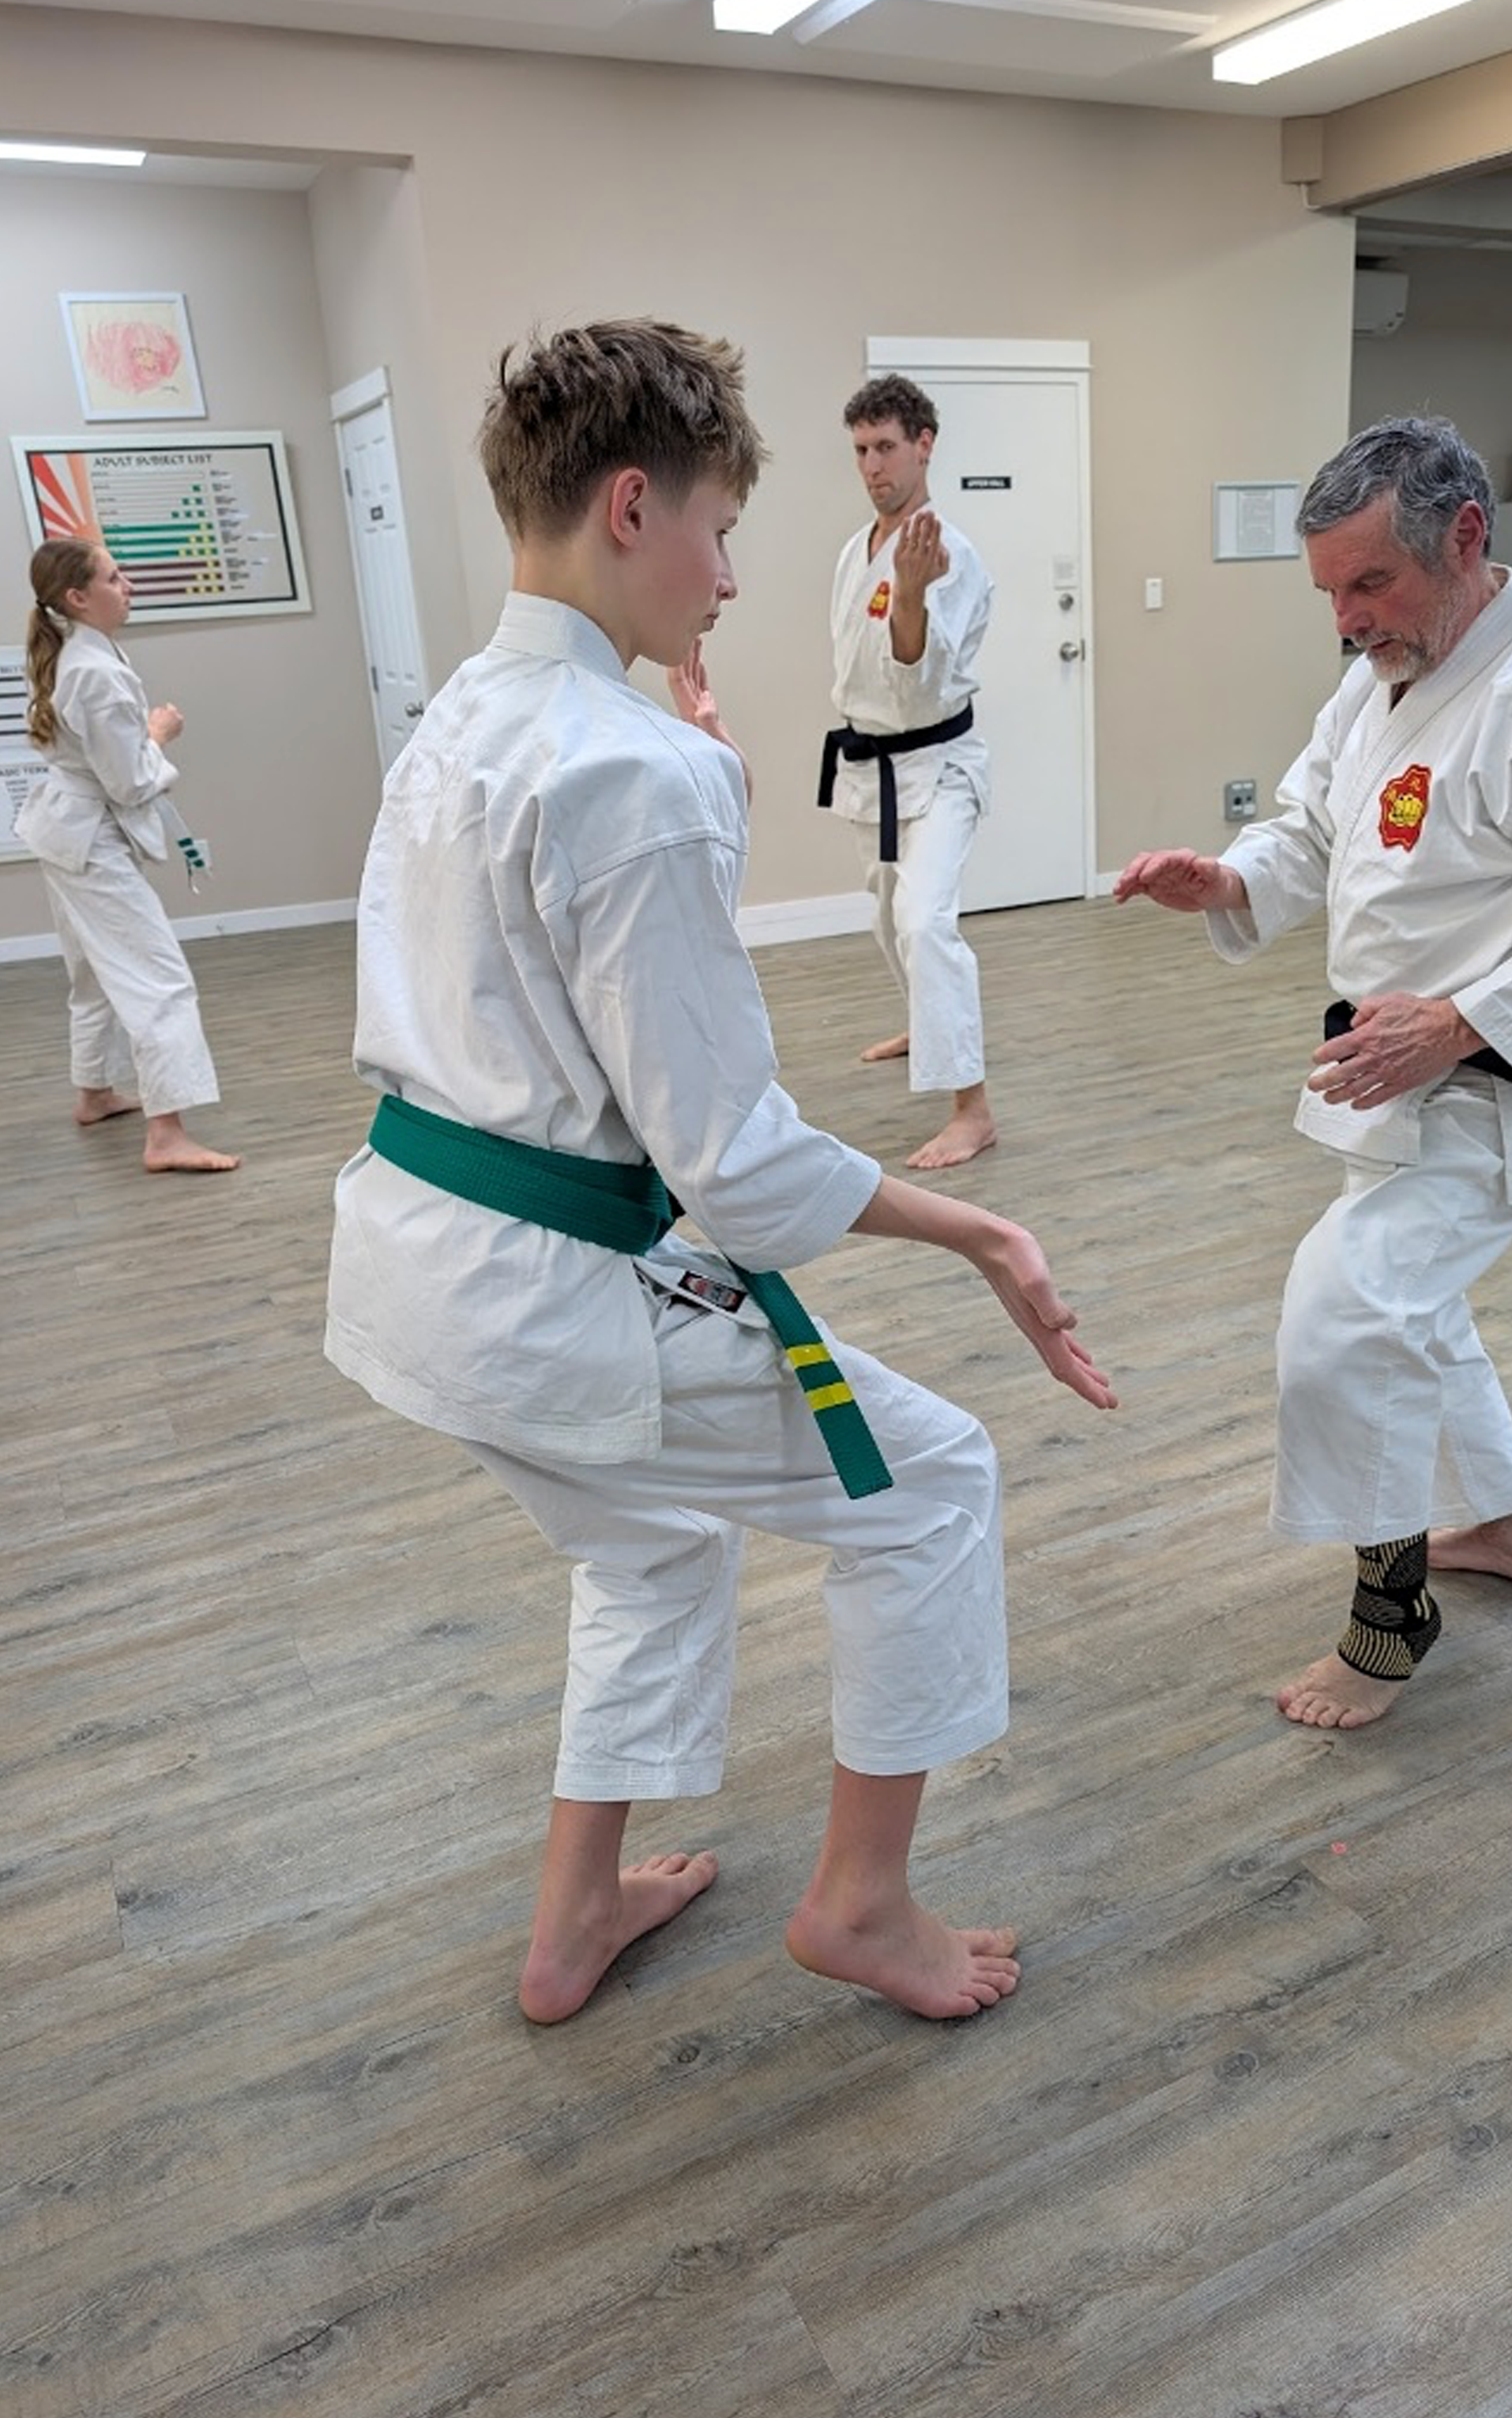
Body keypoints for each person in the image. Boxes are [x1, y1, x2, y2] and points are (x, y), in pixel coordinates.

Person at [324, 321, 1115, 2028]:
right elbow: (738, 1170)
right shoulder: (631, 759)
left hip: (408, 1272)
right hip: (543, 1301)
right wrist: (979, 1225)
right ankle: (863, 1902)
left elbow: (534, 1005)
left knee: (654, 1547)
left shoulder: (464, 716)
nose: (733, 578)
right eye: (720, 531)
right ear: (630, 507)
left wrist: (704, 798)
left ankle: (572, 1920)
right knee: (933, 1483)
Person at [1116, 415, 1512, 1731]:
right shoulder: (1381, 672)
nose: (1345, 617)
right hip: (1394, 1077)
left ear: (1463, 537)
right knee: (1414, 1315)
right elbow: (1314, 824)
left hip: (1492, 1094)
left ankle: (1388, 1626)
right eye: (1329, 590)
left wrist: (1454, 1023)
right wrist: (1227, 880)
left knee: (1342, 1314)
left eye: (1367, 582)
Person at [818, 374, 997, 1171]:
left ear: (923, 444)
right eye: (860, 449)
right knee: (887, 917)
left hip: (939, 766)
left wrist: (913, 601)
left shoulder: (948, 556)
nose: (871, 465)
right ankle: (926, 1027)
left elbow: (922, 685)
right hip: (872, 768)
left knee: (926, 922)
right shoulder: (852, 553)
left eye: (885, 447)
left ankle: (972, 1109)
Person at [19, 539, 239, 1173]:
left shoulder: (78, 654)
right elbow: (130, 783)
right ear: (77, 598)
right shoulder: (93, 670)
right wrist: (158, 734)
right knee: (160, 981)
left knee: (91, 972)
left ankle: (93, 1092)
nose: (129, 585)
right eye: (114, 578)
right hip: (91, 843)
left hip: (66, 835)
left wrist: (140, 737)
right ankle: (167, 1135)